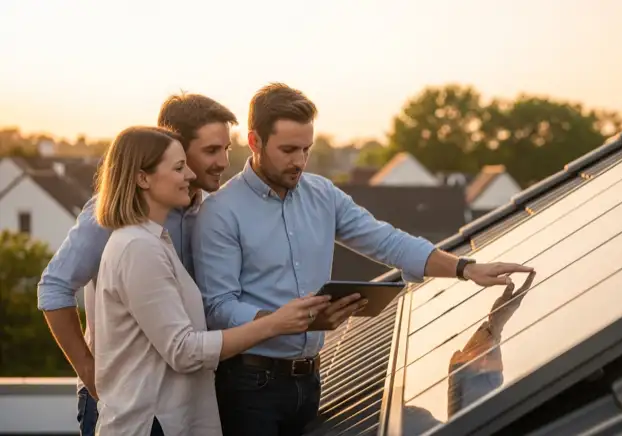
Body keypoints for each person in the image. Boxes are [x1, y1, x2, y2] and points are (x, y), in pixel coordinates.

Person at [192, 83, 535, 435]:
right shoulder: (220, 212)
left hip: (310, 382)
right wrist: (280, 320)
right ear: (255, 142)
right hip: (250, 388)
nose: (299, 161)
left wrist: (466, 268)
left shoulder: (322, 194)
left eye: (306, 149)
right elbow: (217, 308)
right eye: (288, 149)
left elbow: (387, 241)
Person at [91, 125, 332, 435]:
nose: (190, 176)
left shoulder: (151, 241)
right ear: (142, 178)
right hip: (152, 423)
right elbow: (184, 350)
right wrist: (275, 324)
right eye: (179, 168)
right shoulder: (139, 248)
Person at [36, 93, 238, 436]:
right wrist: (89, 371)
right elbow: (53, 288)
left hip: (184, 398)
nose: (223, 162)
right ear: (173, 147)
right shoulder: (113, 214)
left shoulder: (212, 212)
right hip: (129, 401)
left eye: (226, 149)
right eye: (210, 151)